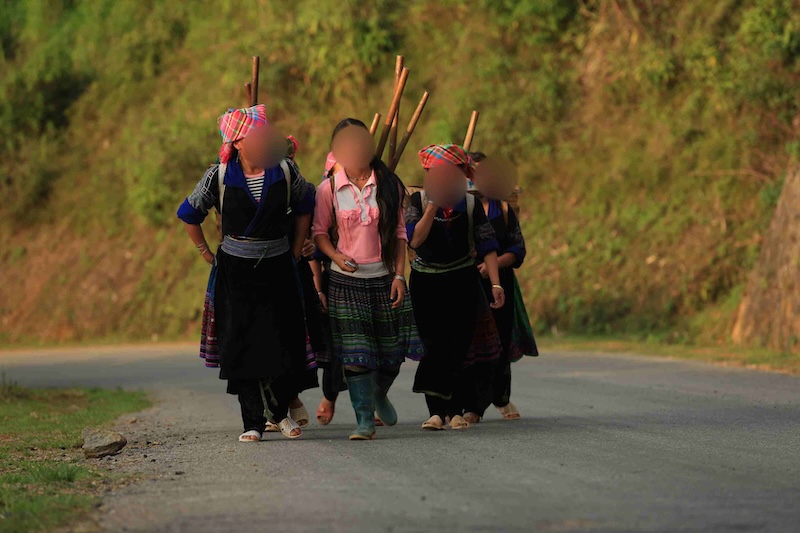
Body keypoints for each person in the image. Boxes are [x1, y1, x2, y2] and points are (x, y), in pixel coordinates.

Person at [177, 104, 315, 443]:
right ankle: (251, 422)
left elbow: (305, 205)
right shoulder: (220, 176)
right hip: (235, 272)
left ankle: (281, 415)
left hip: (279, 266)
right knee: (242, 345)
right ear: (237, 142)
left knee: (282, 341)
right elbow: (189, 213)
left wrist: (297, 247)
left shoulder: (284, 169)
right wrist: (206, 252)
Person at [313, 118, 424, 440]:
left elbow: (401, 234)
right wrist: (334, 256)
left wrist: (399, 276)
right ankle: (363, 420)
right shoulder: (329, 188)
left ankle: (379, 393)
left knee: (393, 352)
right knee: (355, 354)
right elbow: (319, 233)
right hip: (345, 282)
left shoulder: (390, 185)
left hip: (384, 277)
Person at [405, 144, 505, 431]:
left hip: (462, 280)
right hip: (426, 282)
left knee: (460, 345)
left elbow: (487, 245)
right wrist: (434, 204)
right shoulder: (417, 202)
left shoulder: (471, 204)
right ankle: (437, 412)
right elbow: (415, 240)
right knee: (433, 345)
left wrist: (496, 283)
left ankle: (456, 410)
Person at [462, 151, 538, 423]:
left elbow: (517, 248)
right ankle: (472, 405)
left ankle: (501, 397)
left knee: (500, 341)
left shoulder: (503, 209)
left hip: (499, 284)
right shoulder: (458, 207)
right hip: (465, 284)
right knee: (470, 344)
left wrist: (494, 263)